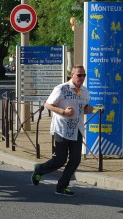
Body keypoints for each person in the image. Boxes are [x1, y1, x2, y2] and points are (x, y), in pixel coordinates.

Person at [31, 65, 94, 196]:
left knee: (75, 160)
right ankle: (40, 169)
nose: (82, 78)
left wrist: (88, 109)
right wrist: (63, 111)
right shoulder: (61, 89)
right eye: (79, 75)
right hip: (61, 128)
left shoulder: (85, 91)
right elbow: (48, 104)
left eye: (84, 75)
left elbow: (85, 106)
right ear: (72, 75)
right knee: (60, 159)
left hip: (77, 128)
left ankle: (62, 186)